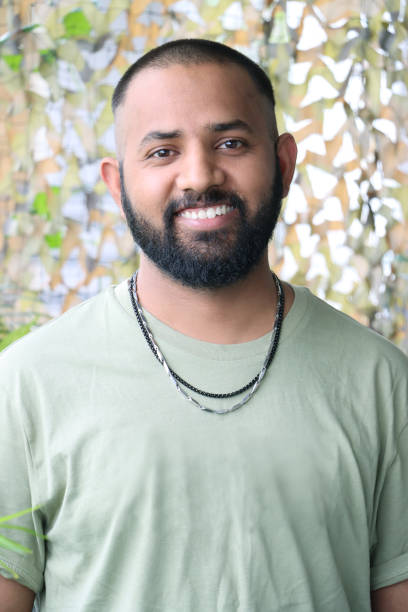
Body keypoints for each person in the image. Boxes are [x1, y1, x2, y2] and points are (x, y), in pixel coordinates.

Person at [0, 38, 407, 612]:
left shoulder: (383, 382)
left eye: (231, 142)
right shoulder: (24, 385)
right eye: (163, 152)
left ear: (284, 164)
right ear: (117, 185)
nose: (199, 175)